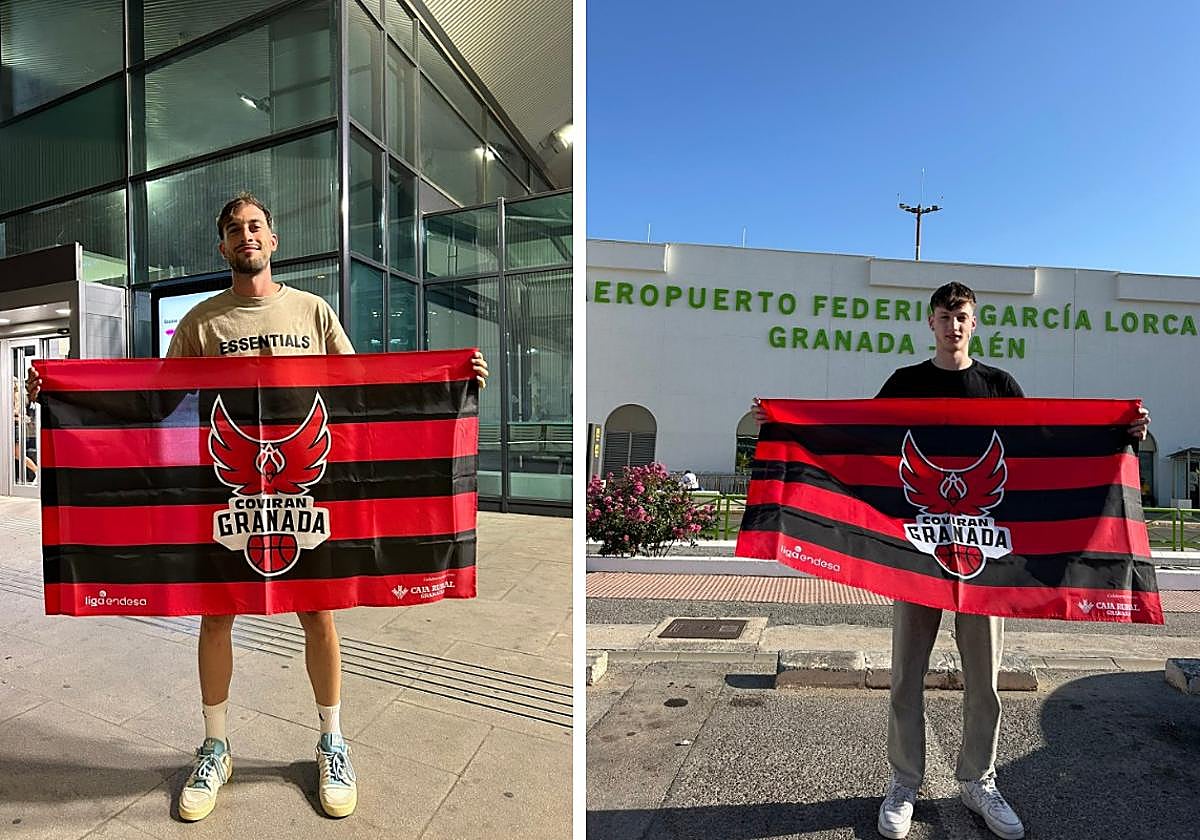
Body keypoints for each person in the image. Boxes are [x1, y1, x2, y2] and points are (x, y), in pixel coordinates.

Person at [28, 193, 490, 822]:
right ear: (223, 248)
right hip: (227, 497)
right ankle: (216, 744)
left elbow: (361, 395)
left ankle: (332, 740)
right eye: (234, 230)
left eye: (256, 227)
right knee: (215, 617)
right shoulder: (201, 324)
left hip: (309, 493)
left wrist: (449, 382)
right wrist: (59, 393)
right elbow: (156, 404)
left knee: (318, 616)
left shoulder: (312, 311)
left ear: (273, 241)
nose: (246, 236)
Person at [753, 281, 1148, 840]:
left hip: (985, 564)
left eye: (962, 316)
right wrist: (783, 424)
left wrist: (1120, 433)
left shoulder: (999, 386)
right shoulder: (905, 384)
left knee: (983, 679)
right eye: (944, 317)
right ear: (930, 323)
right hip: (914, 558)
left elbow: (1044, 447)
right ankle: (904, 782)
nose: (953, 326)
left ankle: (978, 780)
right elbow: (857, 443)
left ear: (974, 322)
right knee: (905, 676)